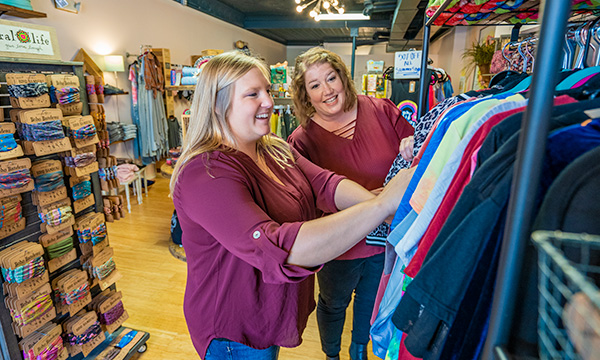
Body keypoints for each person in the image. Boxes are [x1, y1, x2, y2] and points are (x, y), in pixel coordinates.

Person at [170, 51, 414, 360]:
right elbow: (278, 247)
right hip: (234, 329)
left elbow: (326, 184)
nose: (269, 102)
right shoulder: (205, 173)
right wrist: (380, 208)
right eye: (253, 94)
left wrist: (385, 206)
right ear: (220, 105)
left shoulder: (273, 148)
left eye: (268, 91)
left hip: (268, 313)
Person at [288, 47, 415, 360]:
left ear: (343, 77)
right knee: (333, 303)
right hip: (339, 244)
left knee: (371, 301)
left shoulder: (382, 110)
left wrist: (415, 143)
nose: (327, 90)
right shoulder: (302, 140)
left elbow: (421, 152)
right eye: (315, 85)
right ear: (305, 94)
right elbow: (303, 196)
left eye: (331, 78)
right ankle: (332, 355)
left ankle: (359, 351)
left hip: (385, 239)